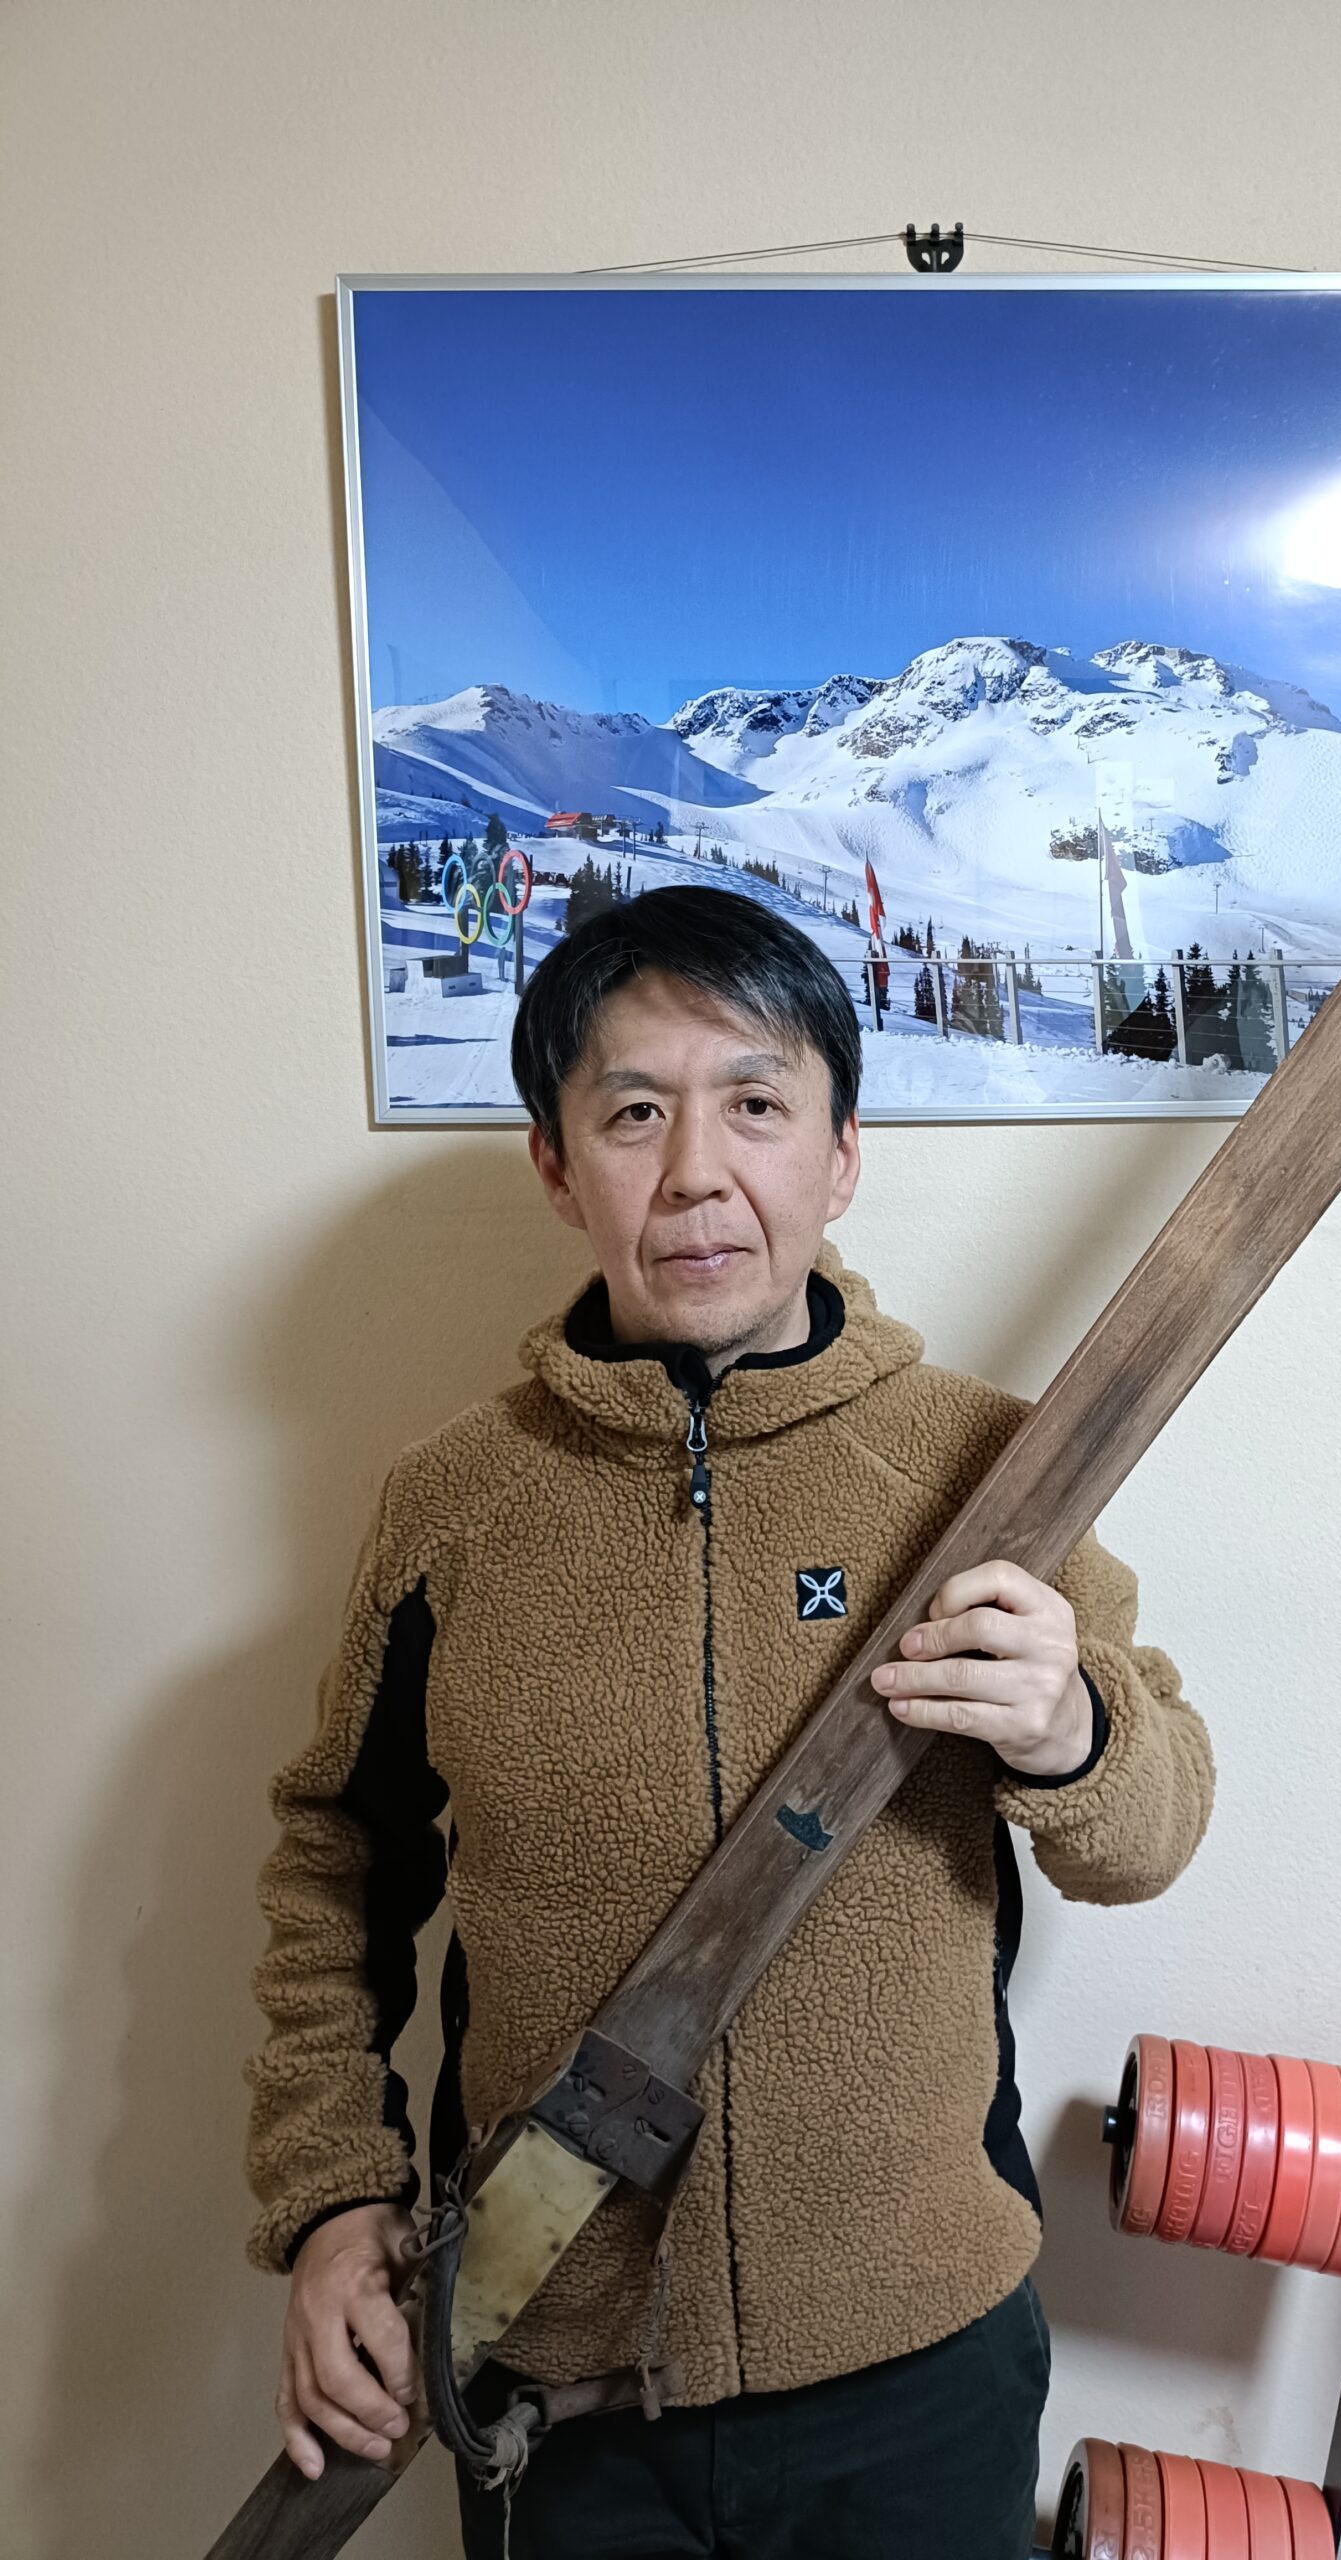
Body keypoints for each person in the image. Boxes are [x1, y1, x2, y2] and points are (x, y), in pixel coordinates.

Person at [242, 885, 1214, 2559]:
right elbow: (334, 1867)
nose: (695, 1171)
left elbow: (1155, 1827)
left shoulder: (987, 1472)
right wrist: (332, 2198)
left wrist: (1073, 1729)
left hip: (921, 2375)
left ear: (841, 1156)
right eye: (634, 1113)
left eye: (756, 1104)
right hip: (555, 2394)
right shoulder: (452, 1509)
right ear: (557, 1166)